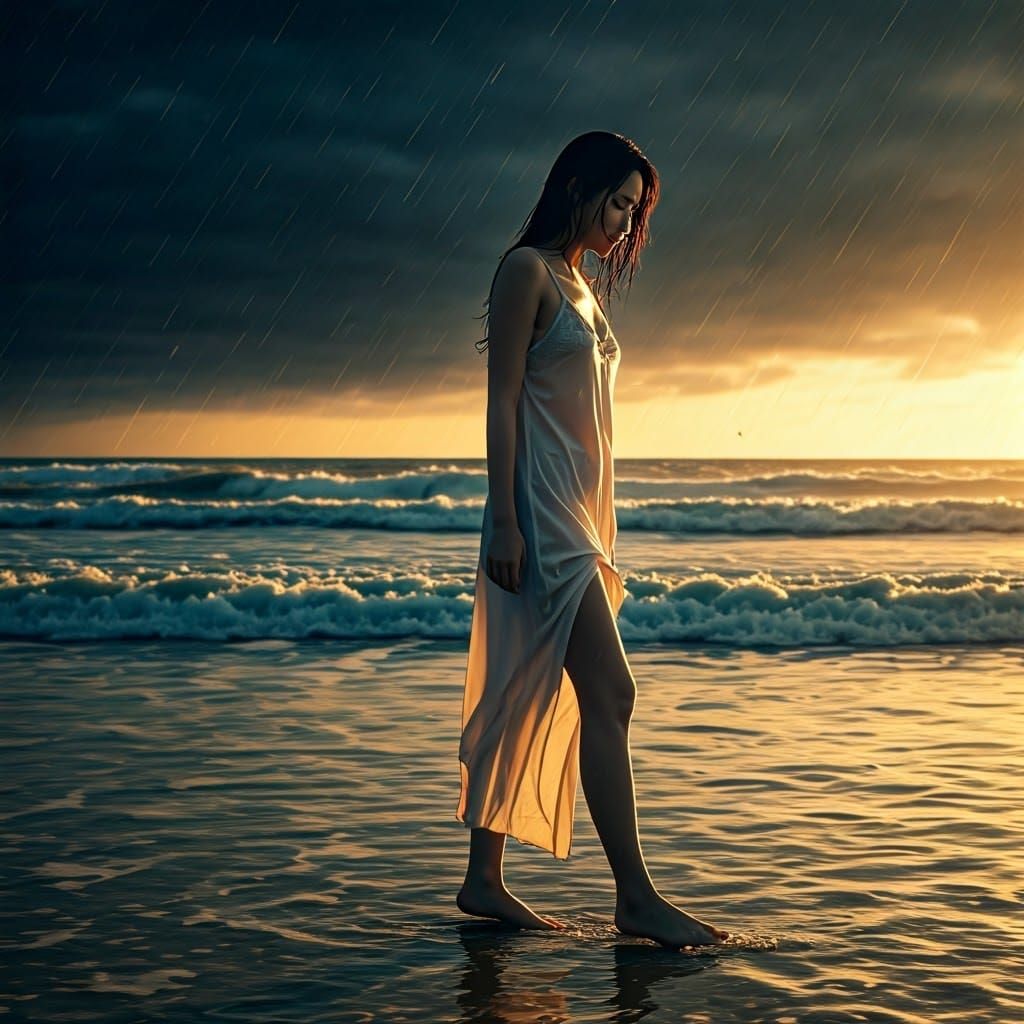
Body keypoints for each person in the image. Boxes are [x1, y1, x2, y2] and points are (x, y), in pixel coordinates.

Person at [455, 132, 728, 950]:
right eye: (617, 202)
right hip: (537, 517)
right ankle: (636, 897)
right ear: (576, 186)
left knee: (526, 686)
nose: (624, 222)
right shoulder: (526, 272)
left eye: (635, 210)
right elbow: (503, 401)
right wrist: (503, 519)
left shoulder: (580, 287)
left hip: (579, 517)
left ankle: (483, 878)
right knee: (611, 693)